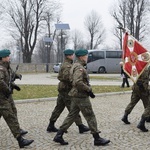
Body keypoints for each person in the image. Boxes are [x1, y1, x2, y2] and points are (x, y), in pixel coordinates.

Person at [53, 49, 110, 146]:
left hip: (75, 95)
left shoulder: (75, 65)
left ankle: (59, 135)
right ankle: (97, 138)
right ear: (81, 57)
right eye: (86, 56)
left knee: (72, 116)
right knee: (90, 116)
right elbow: (77, 82)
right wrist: (88, 89)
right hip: (81, 96)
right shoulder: (79, 67)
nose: (87, 57)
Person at [47, 49, 89, 134]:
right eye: (72, 55)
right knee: (73, 109)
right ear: (68, 56)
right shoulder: (67, 66)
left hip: (63, 89)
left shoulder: (66, 64)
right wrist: (73, 79)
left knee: (59, 108)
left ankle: (51, 124)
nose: (73, 56)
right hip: (66, 89)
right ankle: (80, 126)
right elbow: (65, 77)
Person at [0, 49, 34, 148]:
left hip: (7, 96)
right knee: (10, 116)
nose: (9, 57)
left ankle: (18, 129)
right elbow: (1, 82)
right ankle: (20, 140)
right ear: (2, 58)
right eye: (7, 56)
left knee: (13, 111)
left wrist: (14, 84)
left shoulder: (7, 67)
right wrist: (8, 90)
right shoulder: (1, 68)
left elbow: (9, 77)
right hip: (2, 97)